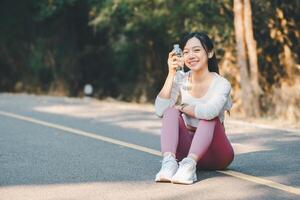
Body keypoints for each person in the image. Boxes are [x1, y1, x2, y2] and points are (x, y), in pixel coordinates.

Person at [154, 32, 234, 184]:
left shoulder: (222, 84)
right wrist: (171, 74)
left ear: (209, 53)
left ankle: (190, 166)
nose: (191, 55)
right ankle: (169, 163)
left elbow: (209, 112)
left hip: (217, 154)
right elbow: (160, 110)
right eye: (186, 52)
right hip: (185, 152)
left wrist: (182, 106)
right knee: (170, 111)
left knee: (209, 118)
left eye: (196, 50)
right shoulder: (181, 78)